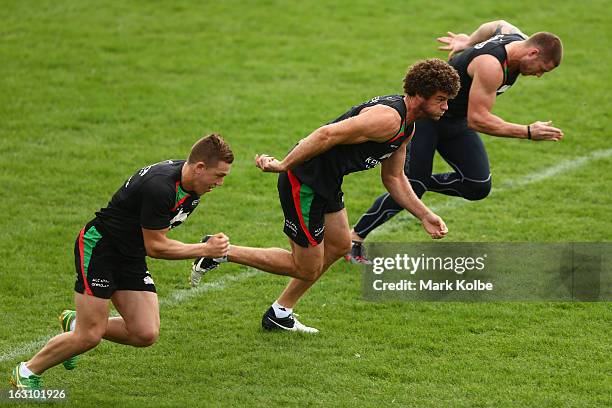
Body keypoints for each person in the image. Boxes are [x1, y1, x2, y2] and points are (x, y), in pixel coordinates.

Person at [190, 58, 460, 333]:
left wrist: (425, 215)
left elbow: (394, 177)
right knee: (305, 267)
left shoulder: (407, 128)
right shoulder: (387, 119)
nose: (445, 107)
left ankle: (280, 313)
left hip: (327, 182)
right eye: (440, 99)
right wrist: (285, 165)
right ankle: (220, 251)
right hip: (304, 181)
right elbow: (326, 133)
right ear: (419, 94)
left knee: (341, 244)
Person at [10, 134, 234, 389]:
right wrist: (204, 249)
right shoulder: (160, 187)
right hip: (101, 249)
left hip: (129, 254)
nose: (220, 183)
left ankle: (75, 322)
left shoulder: (192, 186)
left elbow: (154, 236)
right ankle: (26, 373)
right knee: (89, 336)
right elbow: (156, 247)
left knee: (144, 332)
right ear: (200, 167)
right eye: (219, 175)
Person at [345, 20, 564, 264]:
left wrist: (467, 42)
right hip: (427, 118)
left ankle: (415, 182)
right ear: (532, 52)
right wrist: (527, 131)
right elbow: (479, 120)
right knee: (414, 186)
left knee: (477, 186)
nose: (538, 75)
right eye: (541, 68)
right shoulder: (491, 65)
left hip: (454, 120)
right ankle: (355, 237)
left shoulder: (517, 37)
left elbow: (498, 24)